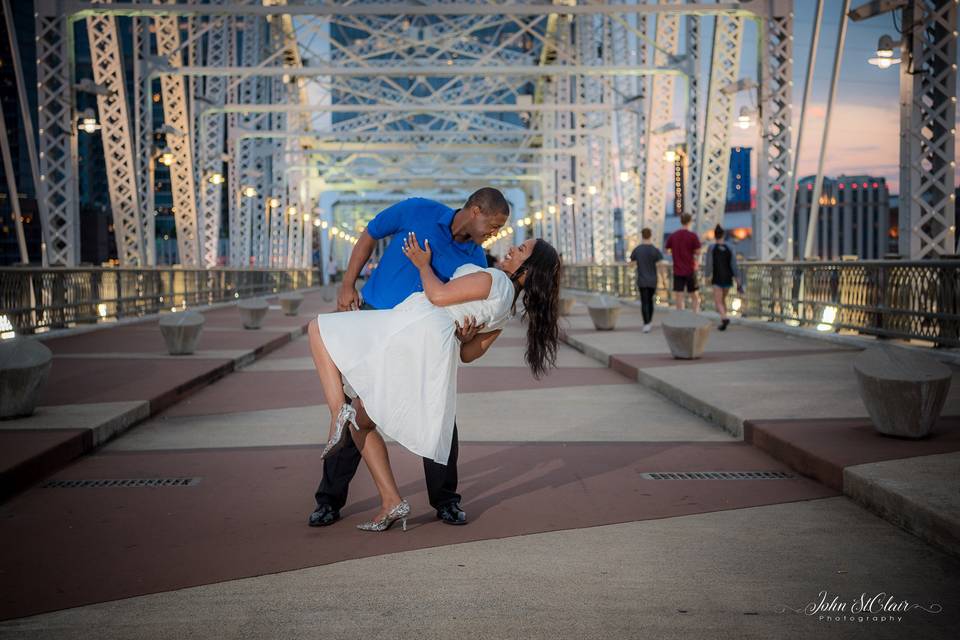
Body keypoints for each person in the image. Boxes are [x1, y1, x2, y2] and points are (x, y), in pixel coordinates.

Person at [308, 234, 562, 531]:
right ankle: (391, 501)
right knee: (362, 422)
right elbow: (468, 354)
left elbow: (438, 296)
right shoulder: (506, 310)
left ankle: (338, 409)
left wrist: (422, 264)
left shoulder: (494, 279)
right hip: (432, 350)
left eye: (520, 250)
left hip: (415, 329)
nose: (510, 250)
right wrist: (465, 336)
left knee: (318, 329)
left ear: (528, 270)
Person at [307, 188, 509, 529]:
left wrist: (464, 335)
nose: (497, 232)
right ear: (475, 210)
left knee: (439, 413)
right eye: (495, 223)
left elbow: (456, 306)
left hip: (415, 339)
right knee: (357, 411)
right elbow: (369, 235)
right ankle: (329, 501)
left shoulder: (474, 260)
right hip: (372, 318)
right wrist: (347, 284)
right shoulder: (418, 210)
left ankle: (445, 500)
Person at [704, 224, 742, 331]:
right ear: (723, 235)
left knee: (718, 302)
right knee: (722, 299)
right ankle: (723, 321)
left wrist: (707, 276)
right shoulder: (730, 247)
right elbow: (734, 264)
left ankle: (724, 318)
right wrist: (738, 279)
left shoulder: (711, 248)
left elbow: (709, 264)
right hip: (728, 278)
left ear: (715, 236)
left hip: (717, 278)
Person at [665, 213, 702, 312]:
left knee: (679, 296)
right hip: (690, 269)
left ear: (681, 221)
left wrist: (675, 251)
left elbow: (667, 250)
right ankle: (695, 316)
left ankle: (680, 317)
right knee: (694, 295)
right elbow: (698, 252)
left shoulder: (673, 235)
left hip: (677, 270)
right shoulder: (693, 236)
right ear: (690, 222)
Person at [628, 228, 663, 333]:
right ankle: (650, 321)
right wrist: (663, 279)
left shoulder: (637, 250)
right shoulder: (654, 250)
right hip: (653, 280)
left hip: (642, 280)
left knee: (644, 302)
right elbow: (660, 264)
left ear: (642, 236)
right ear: (650, 236)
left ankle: (646, 323)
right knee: (651, 301)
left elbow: (631, 264)